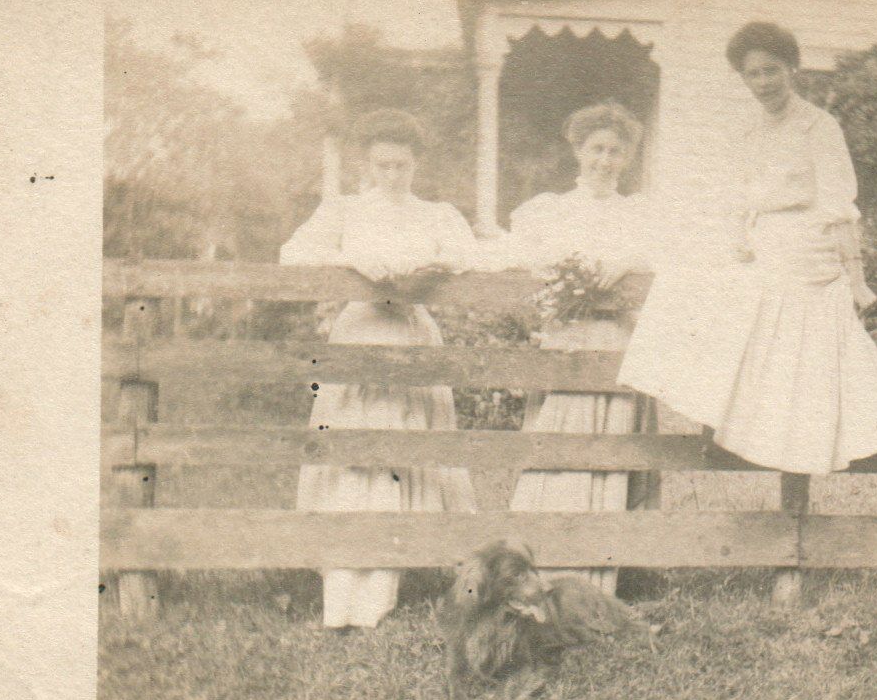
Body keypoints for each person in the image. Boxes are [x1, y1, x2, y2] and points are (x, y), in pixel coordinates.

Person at [621, 21, 877, 475]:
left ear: (792, 68)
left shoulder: (819, 126)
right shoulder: (747, 131)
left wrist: (857, 280)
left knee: (782, 330)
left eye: (771, 71)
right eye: (752, 74)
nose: (762, 83)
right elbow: (737, 199)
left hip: (806, 248)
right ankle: (715, 417)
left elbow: (838, 207)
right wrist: (736, 239)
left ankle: (758, 436)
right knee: (686, 279)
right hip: (758, 243)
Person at [279, 109, 478, 630]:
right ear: (366, 164)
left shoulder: (435, 214)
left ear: (416, 165)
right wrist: (353, 265)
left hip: (411, 332)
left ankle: (384, 581)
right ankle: (341, 581)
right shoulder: (344, 210)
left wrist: (432, 271)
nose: (393, 175)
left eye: (403, 166)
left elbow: (472, 257)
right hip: (360, 333)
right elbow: (293, 252)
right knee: (353, 449)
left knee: (401, 443)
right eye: (383, 165)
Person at [504, 102, 657, 597]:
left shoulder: (638, 215)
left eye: (616, 151)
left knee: (610, 445)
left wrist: (627, 261)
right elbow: (524, 258)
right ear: (578, 150)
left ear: (628, 158)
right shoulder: (550, 210)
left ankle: (602, 571)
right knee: (561, 443)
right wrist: (574, 268)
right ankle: (543, 562)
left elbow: (667, 253)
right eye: (597, 149)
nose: (605, 160)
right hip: (569, 339)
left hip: (616, 342)